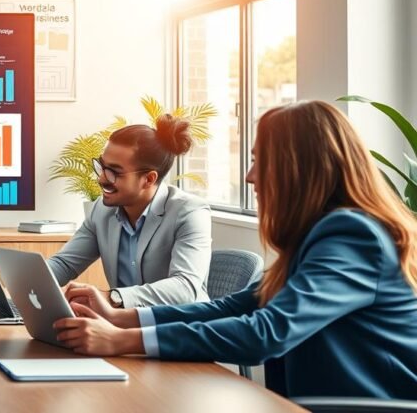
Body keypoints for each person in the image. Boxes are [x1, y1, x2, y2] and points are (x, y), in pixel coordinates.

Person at [55, 101, 417, 399]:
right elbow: (236, 306)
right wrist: (120, 318)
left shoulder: (353, 237)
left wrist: (122, 339)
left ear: (298, 169)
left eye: (260, 161)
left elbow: (266, 332)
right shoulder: (317, 236)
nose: (249, 176)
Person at [47, 114, 212, 308]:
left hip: (179, 329)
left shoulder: (190, 212)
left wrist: (113, 297)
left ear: (149, 179)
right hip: (123, 326)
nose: (101, 179)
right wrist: (27, 282)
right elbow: (64, 264)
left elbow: (184, 288)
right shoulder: (101, 210)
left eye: (114, 172)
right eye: (102, 166)